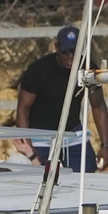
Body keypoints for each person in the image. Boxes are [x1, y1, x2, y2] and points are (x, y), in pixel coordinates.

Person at [12, 28, 87, 170]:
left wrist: (105, 145)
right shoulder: (38, 71)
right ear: (57, 48)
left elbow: (99, 105)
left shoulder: (87, 69)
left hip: (72, 134)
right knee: (40, 173)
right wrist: (29, 148)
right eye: (66, 52)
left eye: (75, 51)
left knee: (88, 169)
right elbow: (23, 108)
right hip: (41, 136)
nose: (71, 56)